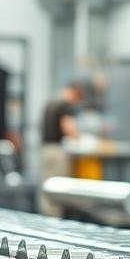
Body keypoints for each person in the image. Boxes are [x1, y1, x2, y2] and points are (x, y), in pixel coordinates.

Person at [36, 80, 82, 217]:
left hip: (45, 150)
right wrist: (81, 139)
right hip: (56, 152)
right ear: (74, 93)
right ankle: (55, 220)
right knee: (58, 186)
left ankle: (46, 217)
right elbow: (68, 127)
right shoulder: (65, 105)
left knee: (46, 185)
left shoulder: (51, 102)